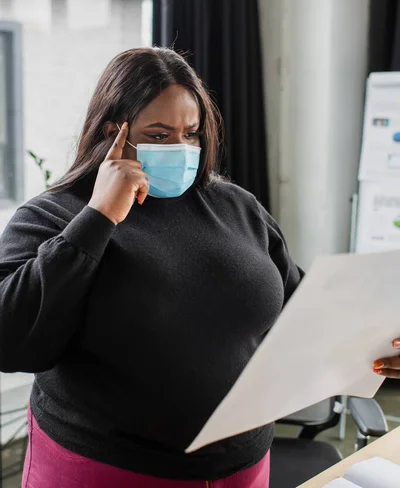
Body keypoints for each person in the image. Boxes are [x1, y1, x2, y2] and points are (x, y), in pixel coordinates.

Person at [0, 48, 398, 488]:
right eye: (160, 134)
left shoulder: (237, 208)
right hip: (108, 469)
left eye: (191, 134)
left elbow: (303, 308)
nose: (182, 149)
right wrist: (98, 218)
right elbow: (11, 341)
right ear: (116, 133)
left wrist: (375, 344)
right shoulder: (54, 216)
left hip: (242, 467)